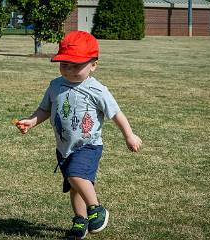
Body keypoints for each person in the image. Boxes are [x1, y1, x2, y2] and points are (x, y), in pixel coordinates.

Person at [15, 31, 142, 239]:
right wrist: (31, 121)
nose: (70, 70)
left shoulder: (97, 90)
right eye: (64, 64)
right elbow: (45, 110)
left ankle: (96, 209)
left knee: (76, 175)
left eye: (76, 65)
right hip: (65, 147)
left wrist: (129, 135)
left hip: (88, 145)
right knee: (75, 186)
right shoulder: (55, 85)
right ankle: (80, 221)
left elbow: (116, 113)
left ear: (93, 65)